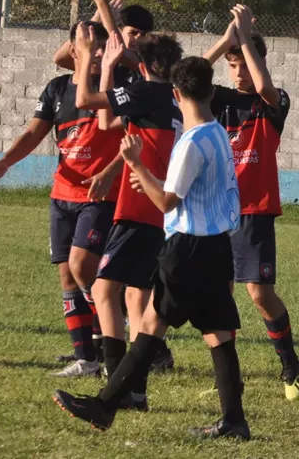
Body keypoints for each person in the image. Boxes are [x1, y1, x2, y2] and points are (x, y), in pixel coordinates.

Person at [53, 56, 250, 439]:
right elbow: (189, 189)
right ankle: (234, 421)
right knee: (218, 334)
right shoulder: (218, 133)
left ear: (176, 95)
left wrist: (136, 165)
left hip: (188, 248)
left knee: (151, 324)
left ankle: (105, 406)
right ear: (211, 91)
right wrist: (156, 180)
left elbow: (168, 203)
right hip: (216, 248)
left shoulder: (191, 142)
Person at [0, 20, 122, 378]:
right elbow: (34, 133)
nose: (96, 50)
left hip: (99, 195)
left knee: (82, 268)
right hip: (62, 194)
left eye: (101, 44)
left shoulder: (116, 86)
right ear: (73, 50)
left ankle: (115, 331)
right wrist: (4, 162)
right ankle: (88, 360)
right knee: (67, 275)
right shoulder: (58, 89)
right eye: (87, 44)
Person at [74, 24, 184, 407]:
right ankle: (134, 391)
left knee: (104, 290)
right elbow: (108, 125)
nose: (132, 59)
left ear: (149, 64)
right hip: (152, 209)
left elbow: (86, 99)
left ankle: (116, 383)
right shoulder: (168, 97)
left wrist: (89, 54)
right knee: (138, 301)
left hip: (139, 208)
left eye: (138, 55)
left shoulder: (146, 91)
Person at [202, 4, 299, 400]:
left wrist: (246, 40)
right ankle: (227, 379)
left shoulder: (272, 101)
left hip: (254, 211)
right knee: (218, 296)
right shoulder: (219, 100)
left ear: (260, 60)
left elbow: (264, 87)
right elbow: (187, 79)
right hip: (218, 212)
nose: (239, 71)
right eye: (233, 64)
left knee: (259, 293)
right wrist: (226, 41)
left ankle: (290, 365)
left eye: (245, 63)